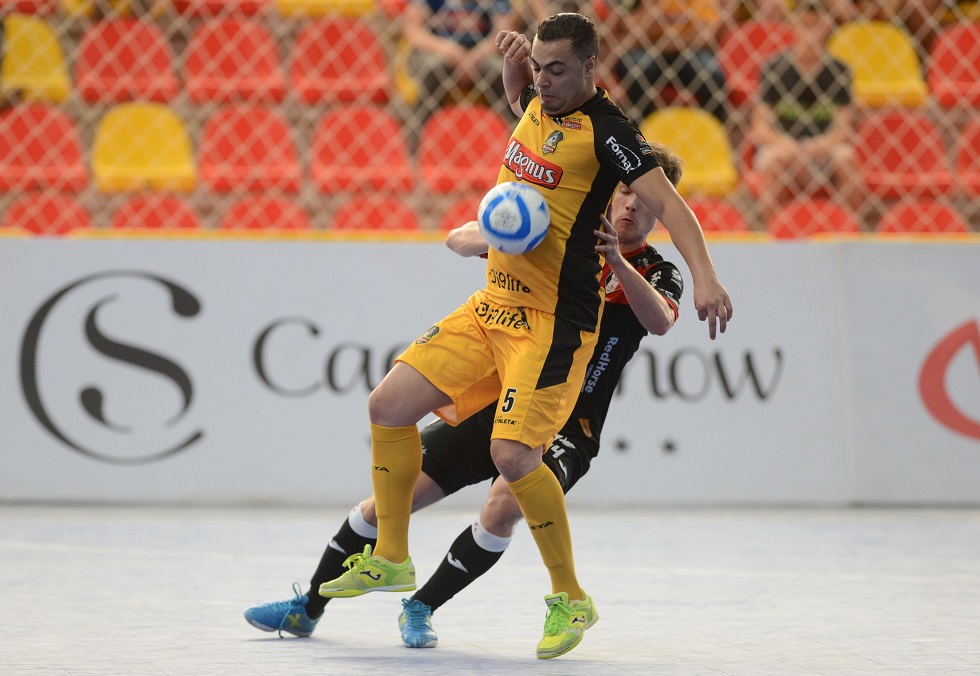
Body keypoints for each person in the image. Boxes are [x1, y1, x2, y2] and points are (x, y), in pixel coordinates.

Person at [316, 12, 732, 660]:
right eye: (539, 67)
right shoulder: (537, 106)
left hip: (551, 322)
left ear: (592, 68)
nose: (545, 80)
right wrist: (515, 72)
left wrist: (705, 279)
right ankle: (392, 557)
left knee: (513, 462)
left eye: (557, 69)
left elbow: (674, 209)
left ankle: (569, 596)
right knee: (385, 406)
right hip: (493, 305)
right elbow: (529, 119)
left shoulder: (609, 134)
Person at [245, 146, 686, 652]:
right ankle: (308, 609)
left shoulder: (656, 269)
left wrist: (615, 262)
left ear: (661, 210)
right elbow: (456, 239)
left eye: (645, 200)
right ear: (607, 195)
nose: (631, 206)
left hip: (568, 422)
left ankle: (422, 606)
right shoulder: (561, 245)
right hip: (499, 403)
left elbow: (659, 320)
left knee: (502, 506)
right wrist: (506, 232)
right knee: (392, 500)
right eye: (623, 193)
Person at [749, 0, 863, 224]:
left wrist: (821, 145)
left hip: (823, 149)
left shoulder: (838, 70)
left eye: (816, 25)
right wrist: (786, 144)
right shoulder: (775, 67)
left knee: (846, 157)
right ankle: (770, 230)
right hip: (783, 146)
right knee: (775, 160)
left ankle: (850, 228)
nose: (810, 32)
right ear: (793, 27)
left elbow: (843, 128)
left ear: (827, 28)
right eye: (804, 24)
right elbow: (760, 127)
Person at [608, 0, 730, 123]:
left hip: (690, 51)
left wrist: (665, 41)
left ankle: (712, 133)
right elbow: (634, 35)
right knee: (637, 68)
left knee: (713, 75)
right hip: (649, 50)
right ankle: (637, 132)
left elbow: (707, 38)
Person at [402, 0, 517, 120]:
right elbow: (414, 31)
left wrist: (475, 56)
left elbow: (505, 32)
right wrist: (447, 49)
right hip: (438, 50)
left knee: (500, 72)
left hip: (482, 53)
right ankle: (417, 132)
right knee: (434, 68)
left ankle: (515, 131)